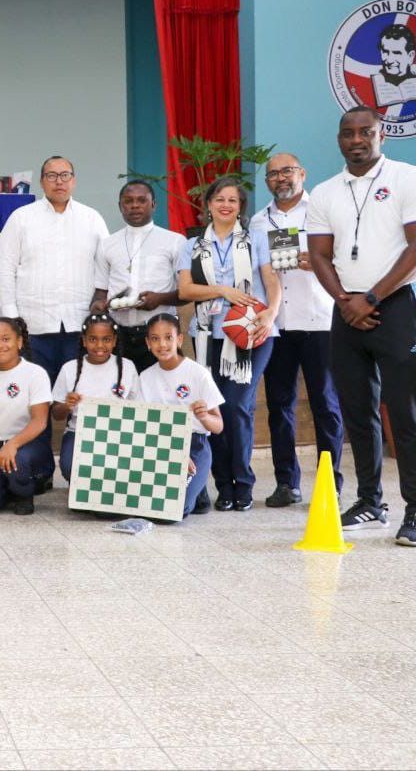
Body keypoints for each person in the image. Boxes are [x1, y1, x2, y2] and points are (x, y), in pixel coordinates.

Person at [307, 106, 416, 546]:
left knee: (404, 413)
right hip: (345, 310)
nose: (357, 139)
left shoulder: (406, 177)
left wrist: (370, 298)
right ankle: (370, 500)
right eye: (348, 133)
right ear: (339, 140)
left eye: (365, 132)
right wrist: (345, 301)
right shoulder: (325, 192)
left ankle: (415, 508)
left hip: (396, 308)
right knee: (356, 411)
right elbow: (318, 254)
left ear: (381, 134)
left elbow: (414, 248)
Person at [0, 157, 109, 475]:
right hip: (33, 327)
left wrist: (99, 312)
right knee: (37, 402)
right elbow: (4, 269)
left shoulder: (92, 219)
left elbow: (105, 269)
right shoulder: (22, 218)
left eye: (65, 175)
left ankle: (87, 469)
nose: (59, 181)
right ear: (42, 181)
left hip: (78, 327)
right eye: (52, 175)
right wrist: (12, 321)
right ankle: (38, 471)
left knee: (78, 400)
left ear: (74, 180)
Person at [178, 177, 282, 511]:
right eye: (219, 199)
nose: (226, 205)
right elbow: (186, 290)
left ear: (241, 207)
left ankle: (244, 482)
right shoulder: (191, 243)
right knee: (215, 408)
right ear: (208, 204)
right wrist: (223, 290)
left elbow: (271, 280)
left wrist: (270, 315)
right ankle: (224, 485)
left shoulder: (256, 238)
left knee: (238, 405)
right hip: (208, 334)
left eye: (233, 200)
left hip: (253, 333)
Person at [248, 153, 344, 507]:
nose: (280, 178)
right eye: (273, 174)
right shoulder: (258, 222)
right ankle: (287, 483)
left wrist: (319, 263)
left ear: (302, 173)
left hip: (320, 320)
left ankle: (329, 484)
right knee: (279, 406)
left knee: (325, 405)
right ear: (267, 182)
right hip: (278, 325)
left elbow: (345, 259)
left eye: (286, 171)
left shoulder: (321, 210)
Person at [90, 181, 186, 372]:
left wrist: (159, 299)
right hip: (118, 334)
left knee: (159, 394)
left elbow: (186, 293)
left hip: (159, 335)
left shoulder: (174, 242)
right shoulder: (107, 245)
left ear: (153, 204)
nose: (135, 205)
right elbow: (101, 291)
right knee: (121, 392)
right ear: (120, 206)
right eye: (128, 201)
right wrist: (98, 306)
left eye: (142, 200)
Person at [137, 313, 225, 517]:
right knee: (144, 502)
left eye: (168, 337)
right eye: (155, 338)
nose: (162, 344)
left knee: (173, 510)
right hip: (158, 444)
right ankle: (197, 488)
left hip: (194, 443)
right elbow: (142, 424)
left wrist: (203, 417)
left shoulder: (198, 373)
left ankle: (196, 484)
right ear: (148, 343)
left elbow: (218, 426)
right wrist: (172, 454)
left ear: (180, 339)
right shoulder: (145, 377)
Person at [0, 317, 54, 515]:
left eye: (6, 339)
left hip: (26, 446)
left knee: (19, 463)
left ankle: (24, 493)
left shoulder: (35, 373)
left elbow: (39, 421)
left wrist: (13, 444)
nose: (0, 346)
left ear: (20, 342)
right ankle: (5, 487)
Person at [51, 313, 140, 483]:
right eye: (93, 339)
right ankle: (83, 491)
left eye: (106, 339)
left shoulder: (127, 367)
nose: (99, 345)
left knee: (120, 471)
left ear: (114, 341)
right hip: (79, 432)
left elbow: (138, 408)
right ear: (84, 341)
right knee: (71, 467)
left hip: (118, 434)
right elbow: (56, 414)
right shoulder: (69, 369)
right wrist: (67, 406)